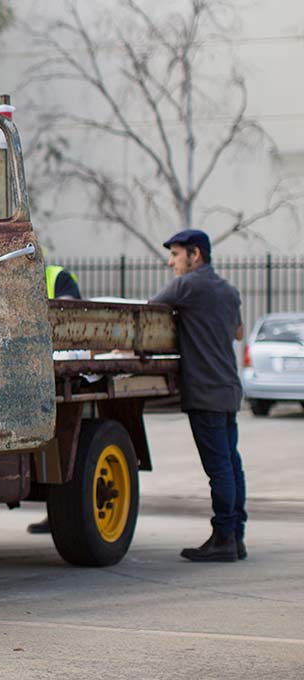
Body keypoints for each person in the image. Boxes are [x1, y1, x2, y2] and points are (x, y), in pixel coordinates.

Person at [150, 229, 247, 562]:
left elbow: (150, 310)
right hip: (228, 389)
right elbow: (238, 332)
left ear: (196, 255)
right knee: (232, 465)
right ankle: (236, 537)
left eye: (176, 255)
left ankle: (223, 538)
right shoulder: (229, 291)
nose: (171, 262)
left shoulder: (187, 286)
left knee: (219, 469)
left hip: (204, 392)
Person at [28, 261, 83, 535]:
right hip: (32, 368)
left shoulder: (57, 276)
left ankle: (63, 512)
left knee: (58, 442)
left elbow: (66, 317)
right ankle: (59, 512)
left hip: (58, 369)